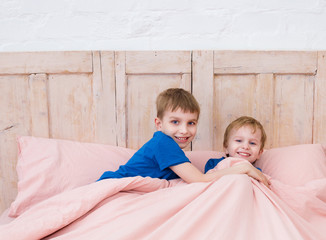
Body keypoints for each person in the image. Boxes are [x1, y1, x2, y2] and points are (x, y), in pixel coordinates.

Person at [98, 88, 270, 188]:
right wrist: (243, 169)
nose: (184, 130)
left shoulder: (172, 149)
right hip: (114, 185)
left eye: (191, 123)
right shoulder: (162, 142)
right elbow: (198, 180)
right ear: (159, 124)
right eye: (175, 122)